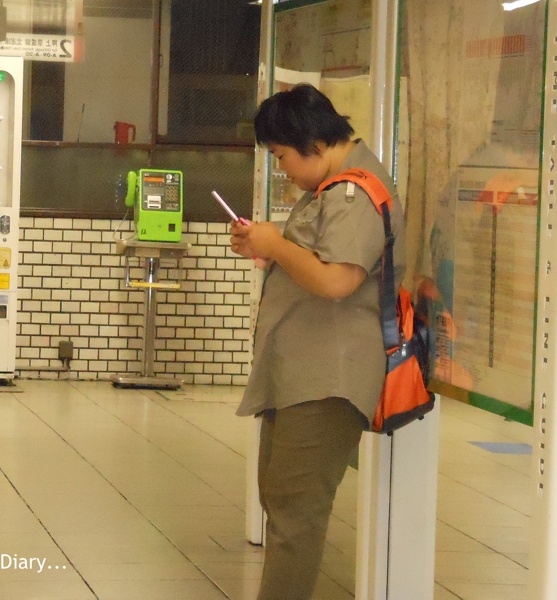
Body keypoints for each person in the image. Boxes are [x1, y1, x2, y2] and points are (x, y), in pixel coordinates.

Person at [230, 83, 406, 600]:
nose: (282, 168)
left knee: (295, 515)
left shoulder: (356, 193)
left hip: (326, 378)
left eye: (282, 156)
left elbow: (336, 281)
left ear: (311, 141)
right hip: (301, 373)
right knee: (283, 500)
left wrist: (275, 245)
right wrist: (268, 249)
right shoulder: (333, 189)